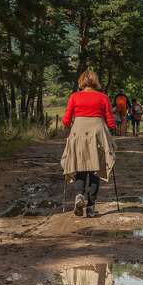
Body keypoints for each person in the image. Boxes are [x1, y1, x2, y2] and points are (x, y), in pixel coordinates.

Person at [61, 71, 117, 218]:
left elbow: (66, 120)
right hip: (97, 132)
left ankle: (79, 195)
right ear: (95, 81)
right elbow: (110, 121)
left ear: (81, 82)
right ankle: (91, 208)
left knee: (80, 167)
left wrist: (69, 124)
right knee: (95, 170)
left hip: (79, 131)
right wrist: (111, 131)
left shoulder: (74, 97)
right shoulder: (103, 97)